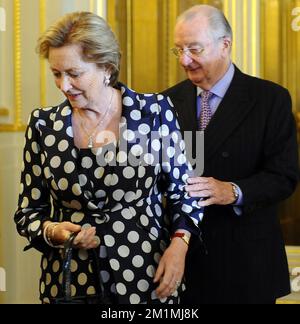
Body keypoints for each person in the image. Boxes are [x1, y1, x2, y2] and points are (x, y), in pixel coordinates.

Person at [14, 11, 203, 304]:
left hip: (148, 277)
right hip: (69, 284)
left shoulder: (155, 112)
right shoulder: (42, 125)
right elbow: (27, 215)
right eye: (56, 73)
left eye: (74, 73)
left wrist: (180, 245)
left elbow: (186, 193)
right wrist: (55, 232)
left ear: (106, 67)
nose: (64, 86)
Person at [163, 5, 299, 304]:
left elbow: (284, 177)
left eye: (194, 49)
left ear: (225, 44)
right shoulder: (167, 102)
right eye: (179, 50)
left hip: (247, 265)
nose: (185, 60)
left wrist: (232, 191)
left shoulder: (270, 99)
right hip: (186, 265)